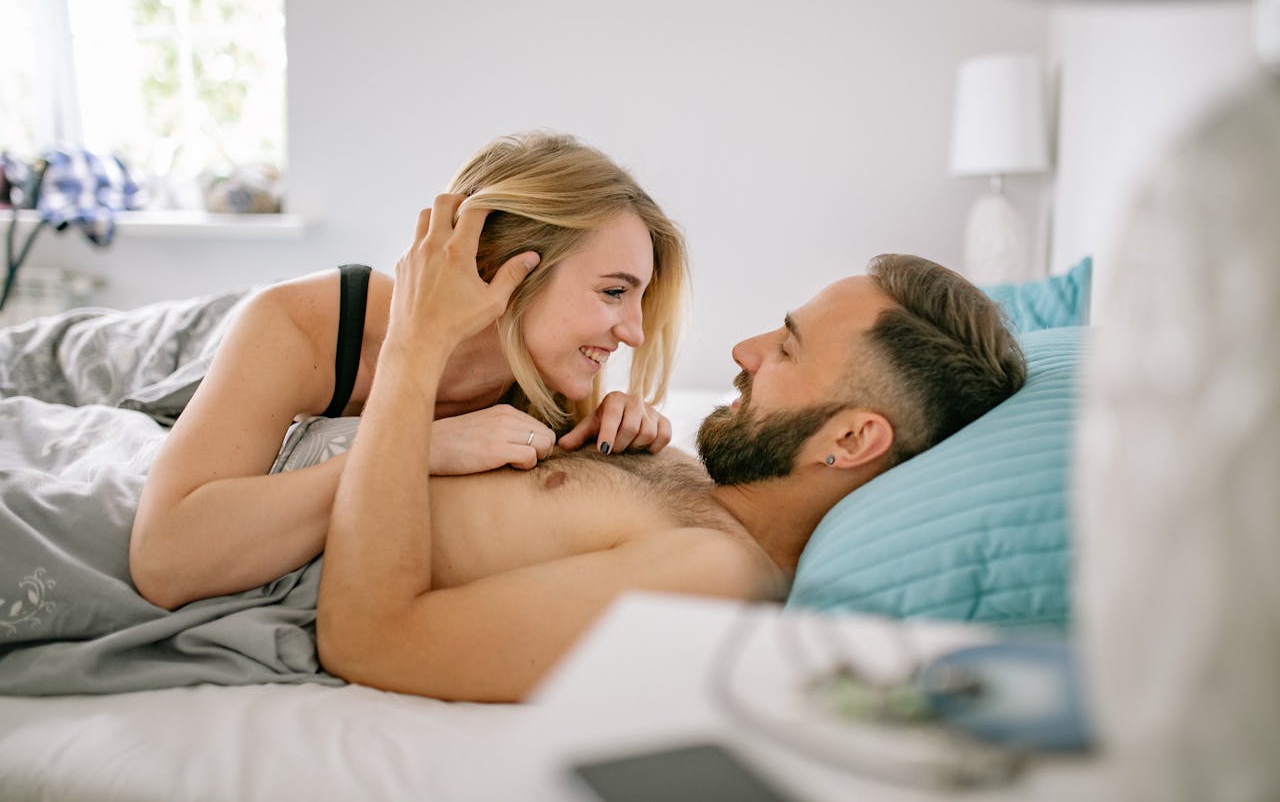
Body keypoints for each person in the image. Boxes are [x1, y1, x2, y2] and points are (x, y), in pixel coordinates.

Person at [315, 196, 1027, 703]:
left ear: (850, 438)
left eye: (787, 349)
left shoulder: (713, 573)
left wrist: (415, 345)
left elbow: (371, 639)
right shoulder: (704, 485)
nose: (743, 351)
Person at [130, 133, 690, 611]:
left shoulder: (541, 372)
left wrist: (607, 436)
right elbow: (166, 559)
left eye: (638, 298)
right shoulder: (298, 324)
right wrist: (414, 448)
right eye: (614, 292)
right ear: (499, 266)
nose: (634, 333)